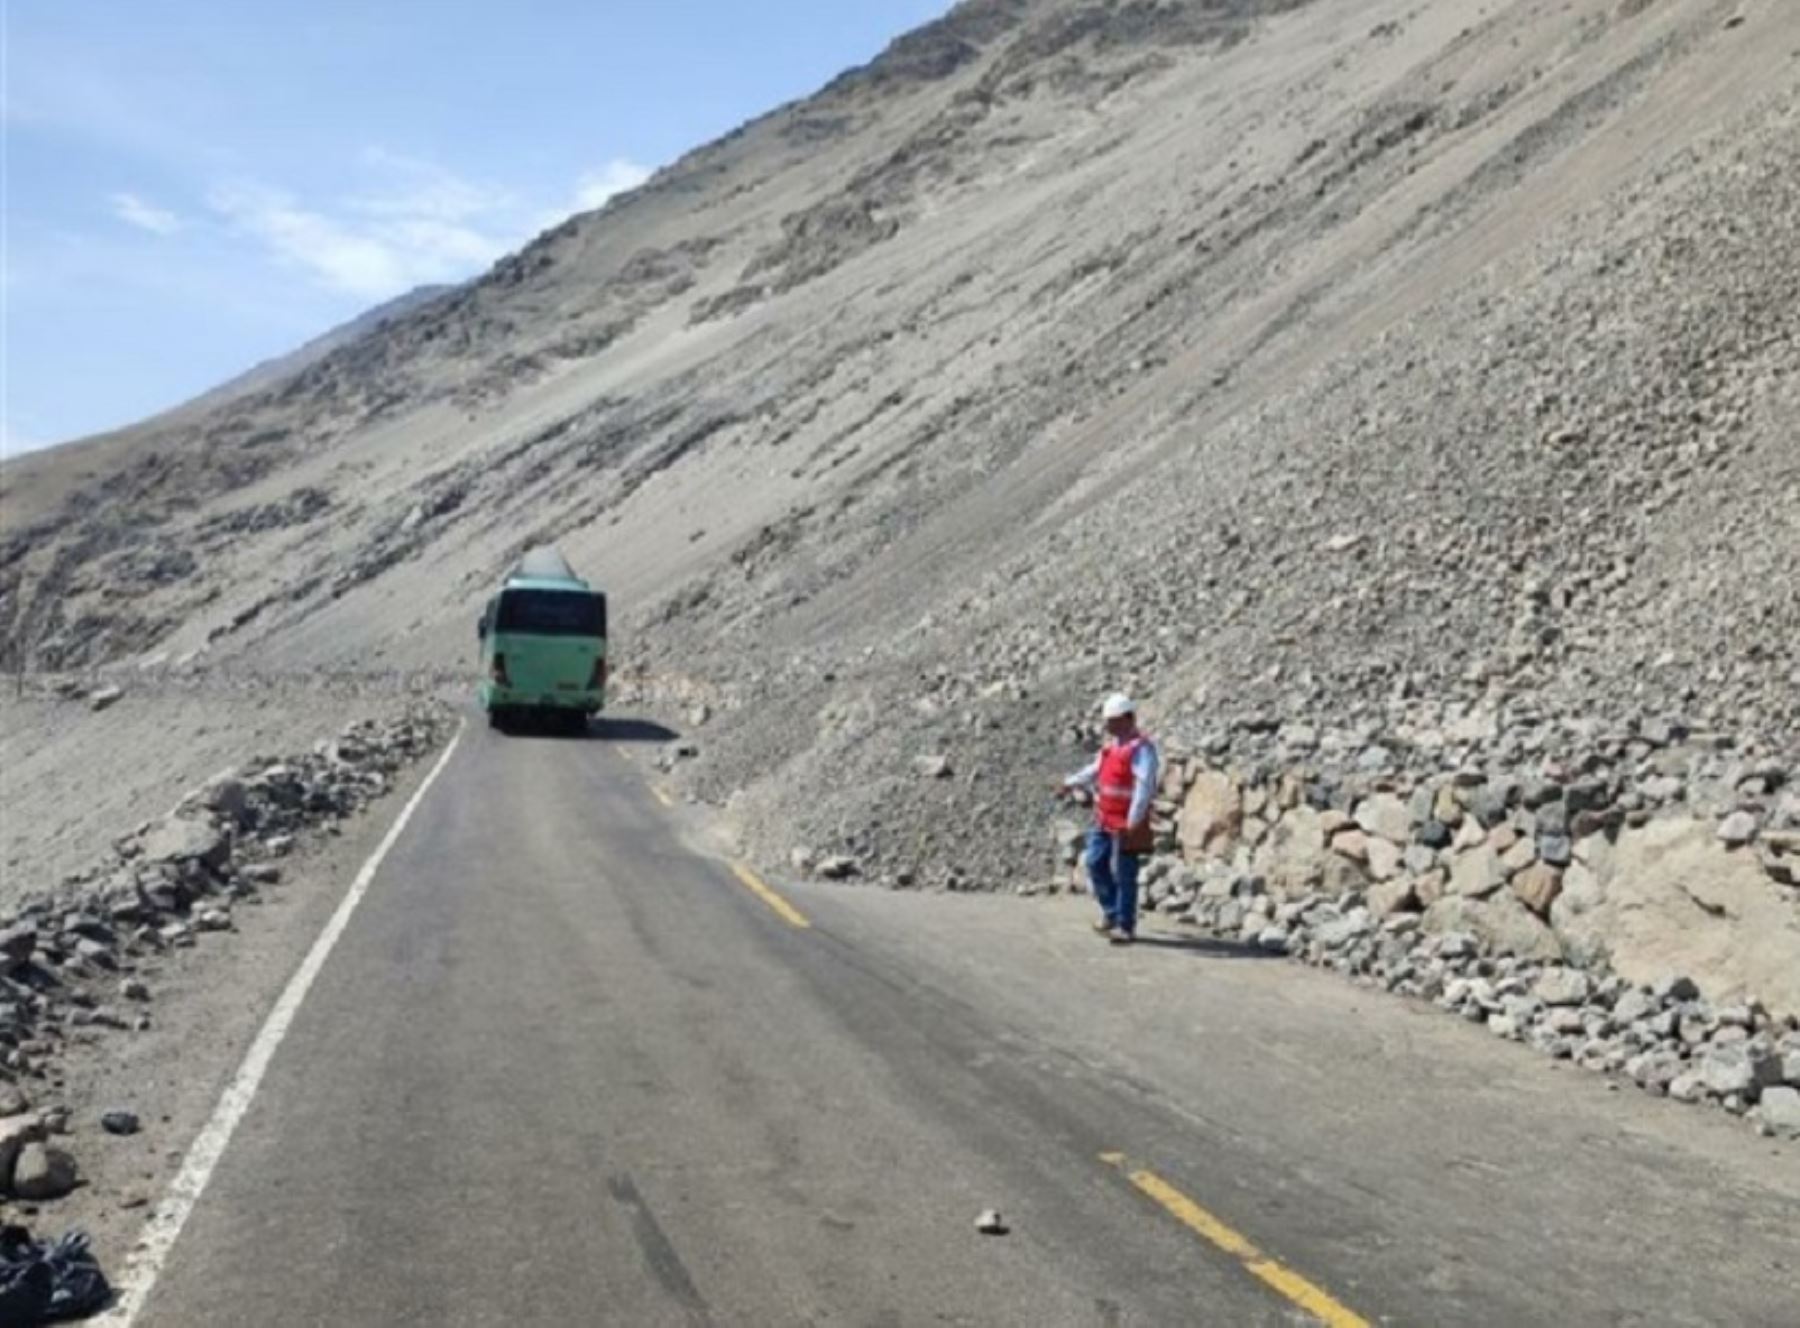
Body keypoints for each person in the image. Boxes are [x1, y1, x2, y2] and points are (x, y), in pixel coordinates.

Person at [1056, 693, 1159, 944]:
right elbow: (1094, 771)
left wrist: (1134, 821)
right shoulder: (1111, 747)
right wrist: (1069, 783)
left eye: (1113, 720)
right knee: (1094, 862)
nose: (1108, 726)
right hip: (1104, 817)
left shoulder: (1141, 749)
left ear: (1128, 718)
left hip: (1126, 822)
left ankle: (1125, 925)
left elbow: (1144, 787)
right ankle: (1112, 911)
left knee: (1126, 873)